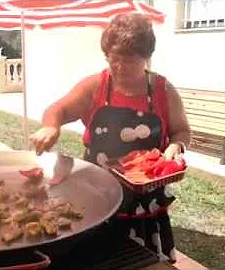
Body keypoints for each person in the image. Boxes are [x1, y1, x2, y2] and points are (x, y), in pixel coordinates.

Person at [29, 13, 191, 263]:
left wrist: (176, 145)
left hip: (145, 203)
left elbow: (181, 130)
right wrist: (51, 127)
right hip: (99, 196)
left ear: (146, 56)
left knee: (143, 262)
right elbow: (57, 110)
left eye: (128, 60)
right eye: (113, 59)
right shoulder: (95, 86)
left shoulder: (163, 90)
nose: (119, 67)